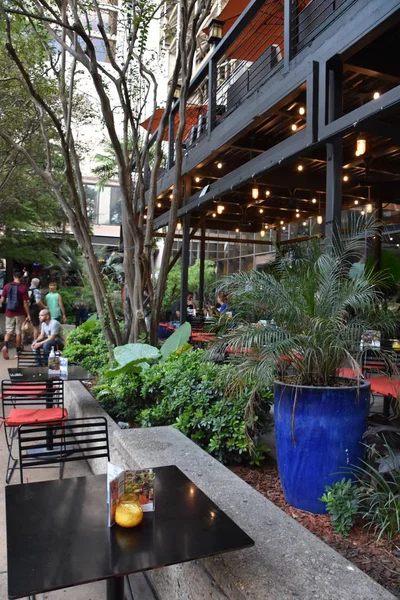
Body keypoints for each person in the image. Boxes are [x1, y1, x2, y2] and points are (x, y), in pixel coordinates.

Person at [0, 269, 31, 359]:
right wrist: (28, 314)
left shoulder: (6, 286)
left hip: (9, 312)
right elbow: (25, 302)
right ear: (21, 278)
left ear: (14, 277)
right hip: (20, 312)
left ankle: (5, 346)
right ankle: (17, 353)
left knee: (9, 331)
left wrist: (7, 303)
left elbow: (2, 300)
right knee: (18, 332)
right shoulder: (23, 287)